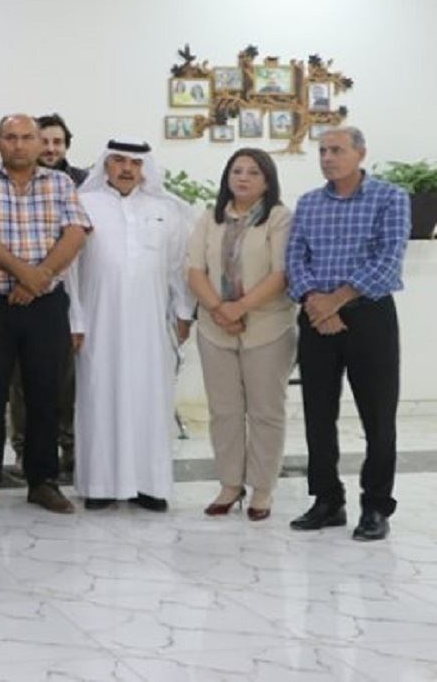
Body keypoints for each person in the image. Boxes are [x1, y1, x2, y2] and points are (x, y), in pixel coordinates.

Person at [286, 127, 409, 541]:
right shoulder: (308, 203)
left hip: (369, 316)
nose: (327, 157)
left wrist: (335, 301)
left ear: (360, 153)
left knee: (378, 416)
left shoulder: (390, 198)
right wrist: (315, 303)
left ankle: (375, 506)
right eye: (322, 151)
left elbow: (388, 259)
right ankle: (327, 500)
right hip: (316, 318)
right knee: (318, 414)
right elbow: (295, 258)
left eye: (336, 150)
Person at [0, 114, 89, 514]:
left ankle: (43, 481)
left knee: (45, 394)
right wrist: (25, 273)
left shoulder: (61, 183)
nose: (19, 144)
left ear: (38, 142)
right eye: (10, 137)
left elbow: (76, 233)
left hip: (46, 306)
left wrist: (40, 277)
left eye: (26, 137)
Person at [66, 139, 194, 512]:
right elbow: (70, 270)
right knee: (98, 396)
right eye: (118, 160)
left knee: (151, 397)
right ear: (106, 164)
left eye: (135, 163)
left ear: (144, 168)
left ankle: (149, 485)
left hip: (151, 325)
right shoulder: (83, 204)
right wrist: (75, 318)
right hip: (98, 322)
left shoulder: (166, 209)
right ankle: (100, 485)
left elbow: (178, 267)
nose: (126, 168)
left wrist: (183, 312)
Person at [186, 148, 296, 521]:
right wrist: (220, 309)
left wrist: (240, 308)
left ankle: (262, 489)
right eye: (237, 171)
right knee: (224, 411)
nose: (243, 178)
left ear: (267, 180)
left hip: (268, 327)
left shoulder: (279, 218)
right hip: (215, 328)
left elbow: (281, 273)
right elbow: (194, 270)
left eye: (253, 172)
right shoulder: (209, 217)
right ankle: (230, 484)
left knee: (266, 411)